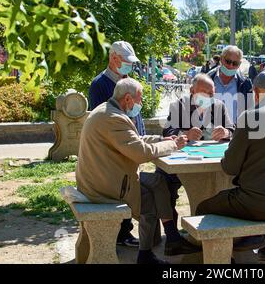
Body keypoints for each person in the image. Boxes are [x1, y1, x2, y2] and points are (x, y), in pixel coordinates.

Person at [196, 70, 265, 264]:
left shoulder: (252, 117)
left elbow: (230, 167)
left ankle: (224, 260)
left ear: (256, 93)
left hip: (257, 204)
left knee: (203, 208)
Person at [76, 78, 190, 264]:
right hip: (105, 185)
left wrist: (165, 138)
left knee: (158, 181)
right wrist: (173, 145)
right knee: (149, 199)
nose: (141, 103)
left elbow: (135, 139)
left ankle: (170, 236)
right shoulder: (114, 119)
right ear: (128, 99)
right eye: (140, 99)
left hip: (103, 176)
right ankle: (145, 256)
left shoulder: (108, 110)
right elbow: (141, 153)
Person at [157, 74, 234, 240]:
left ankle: (224, 231)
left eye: (211, 94)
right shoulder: (179, 106)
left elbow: (233, 129)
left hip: (214, 162)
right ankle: (172, 235)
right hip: (185, 161)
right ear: (192, 91)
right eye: (204, 93)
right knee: (161, 180)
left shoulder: (219, 106)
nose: (209, 97)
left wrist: (226, 132)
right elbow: (168, 132)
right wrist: (185, 134)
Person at [88, 40, 146, 247]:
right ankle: (119, 234)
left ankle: (125, 232)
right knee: (119, 187)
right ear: (113, 58)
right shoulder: (99, 85)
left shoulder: (128, 81)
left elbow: (136, 115)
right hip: (115, 148)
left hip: (131, 143)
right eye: (126, 62)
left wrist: (141, 136)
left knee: (129, 185)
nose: (129, 66)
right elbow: (103, 119)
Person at [207, 45, 253, 125]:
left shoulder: (246, 84)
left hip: (236, 133)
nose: (231, 66)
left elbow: (250, 111)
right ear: (221, 59)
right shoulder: (207, 79)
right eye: (228, 61)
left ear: (239, 64)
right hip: (210, 133)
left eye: (235, 63)